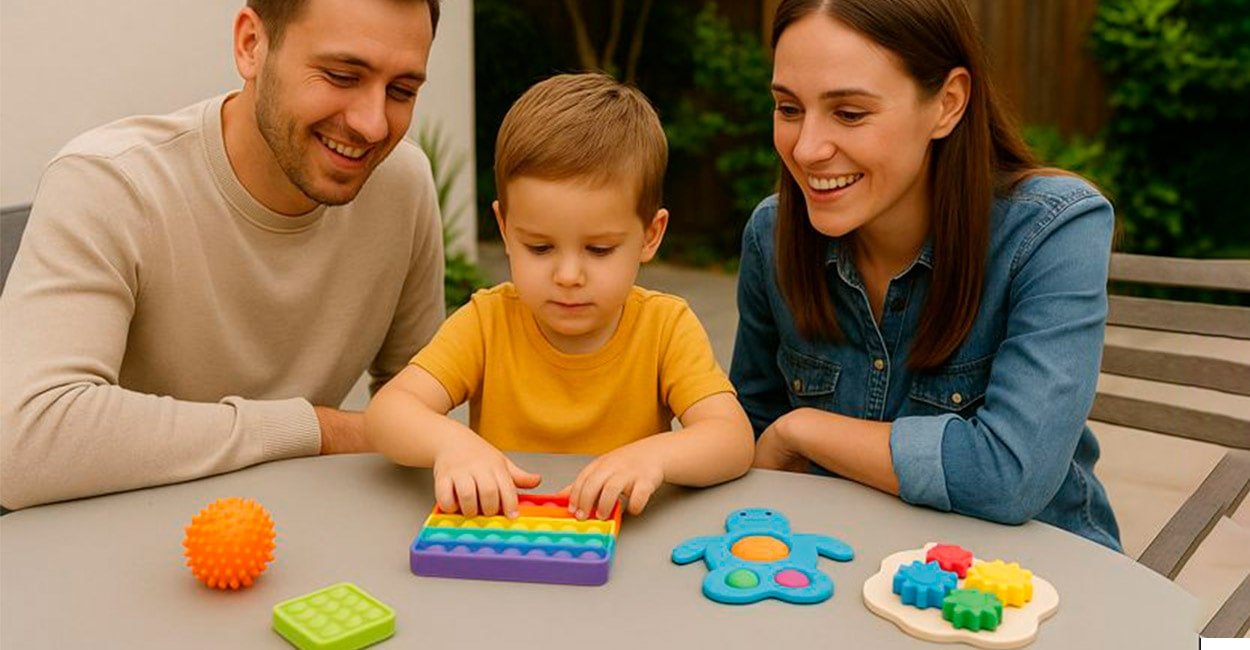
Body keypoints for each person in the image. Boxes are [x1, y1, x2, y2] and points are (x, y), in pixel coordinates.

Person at [0, 0, 446, 510]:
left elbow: (422, 403)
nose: (372, 125)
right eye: (342, 76)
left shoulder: (402, 185)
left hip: (298, 537)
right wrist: (316, 430)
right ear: (251, 45)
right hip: (107, 545)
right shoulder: (110, 184)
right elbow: (24, 444)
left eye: (402, 91)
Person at [731, 0, 1121, 550]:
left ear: (948, 103)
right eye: (789, 108)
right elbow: (746, 435)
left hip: (1037, 589)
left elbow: (1011, 476)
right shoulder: (771, 236)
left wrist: (803, 430)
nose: (806, 148)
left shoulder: (1053, 230)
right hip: (843, 577)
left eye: (849, 113)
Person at [365, 73, 754, 521]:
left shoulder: (665, 327)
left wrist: (654, 457)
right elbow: (388, 412)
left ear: (651, 235)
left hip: (626, 556)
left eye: (599, 249)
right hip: (503, 542)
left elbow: (733, 438)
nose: (568, 276)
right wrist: (451, 445)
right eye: (540, 248)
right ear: (506, 230)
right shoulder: (486, 322)